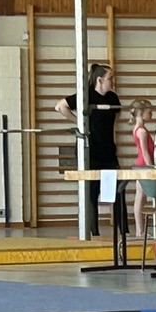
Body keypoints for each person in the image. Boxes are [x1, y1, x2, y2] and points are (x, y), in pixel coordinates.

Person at [55, 62, 122, 236]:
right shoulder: (86, 96)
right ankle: (94, 233)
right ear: (100, 80)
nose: (112, 82)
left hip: (108, 150)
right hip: (90, 150)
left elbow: (116, 119)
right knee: (91, 192)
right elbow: (60, 106)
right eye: (110, 78)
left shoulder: (113, 98)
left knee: (117, 189)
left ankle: (122, 231)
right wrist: (79, 122)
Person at [125, 99, 156, 242]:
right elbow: (145, 152)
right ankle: (139, 231)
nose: (152, 114)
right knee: (140, 198)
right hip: (143, 166)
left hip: (142, 165)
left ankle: (140, 230)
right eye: (150, 112)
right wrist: (151, 168)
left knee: (141, 198)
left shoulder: (140, 129)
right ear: (141, 113)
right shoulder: (141, 131)